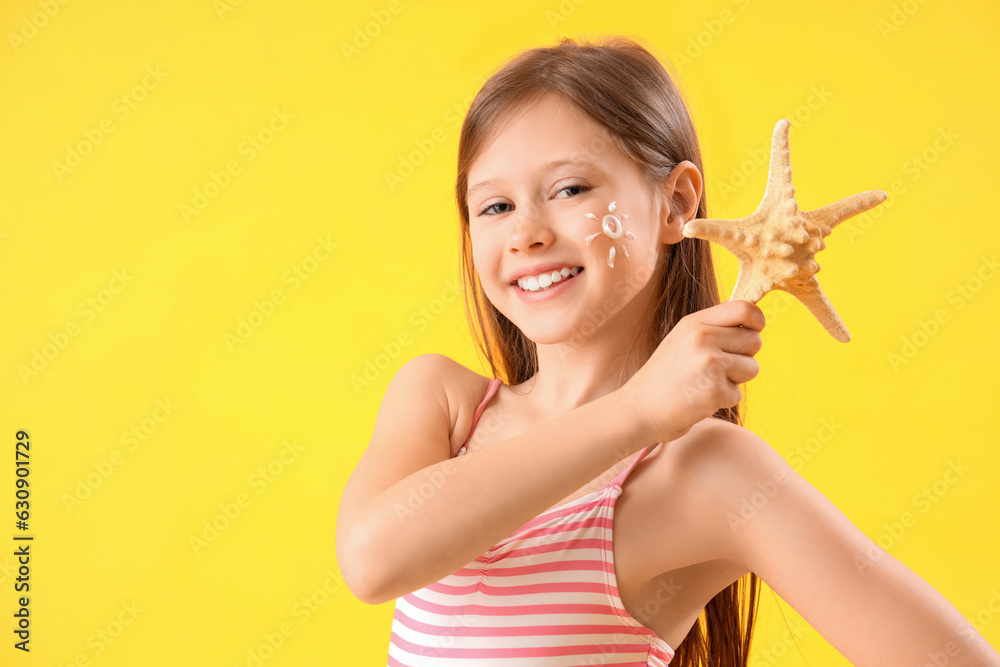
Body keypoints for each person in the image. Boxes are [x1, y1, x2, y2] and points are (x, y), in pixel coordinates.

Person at [336, 36, 1000, 666]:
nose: (526, 234)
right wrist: (638, 410)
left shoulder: (708, 474)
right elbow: (372, 561)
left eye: (570, 189)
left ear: (675, 203)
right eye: (496, 206)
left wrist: (651, 418)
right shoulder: (442, 404)